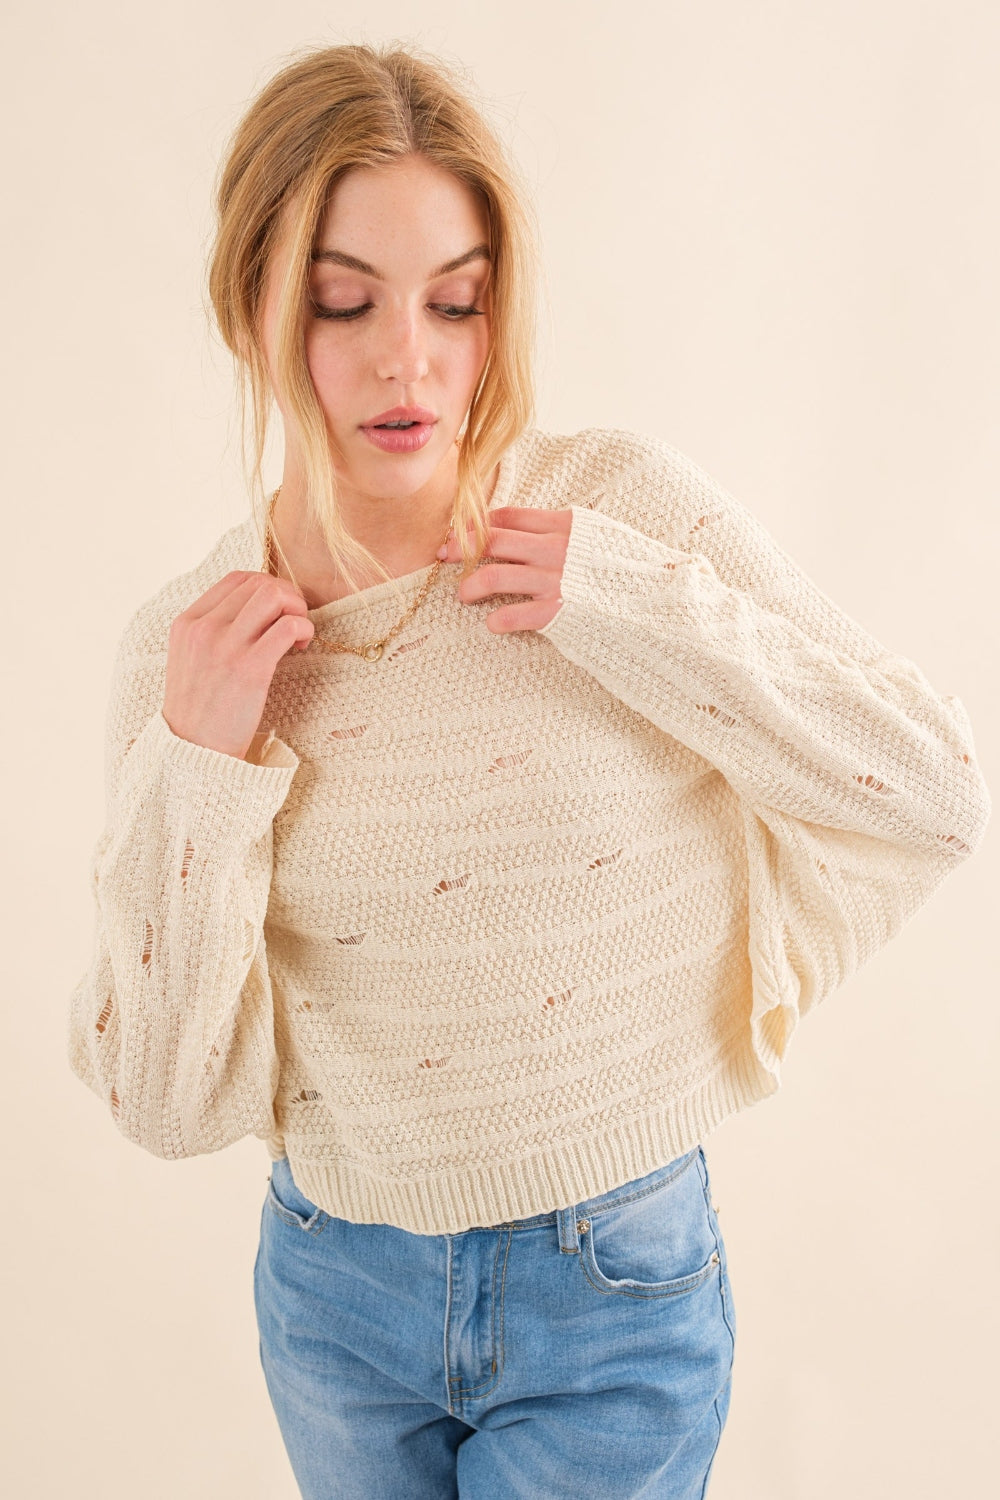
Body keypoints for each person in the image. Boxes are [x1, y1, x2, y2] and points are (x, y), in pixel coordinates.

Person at [67, 39, 991, 1500]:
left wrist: (627, 605)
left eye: (456, 301)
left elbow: (934, 788)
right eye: (343, 301)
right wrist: (197, 768)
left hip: (612, 1290)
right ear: (251, 308)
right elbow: (163, 1107)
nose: (408, 360)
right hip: (334, 1302)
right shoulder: (189, 655)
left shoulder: (613, 515)